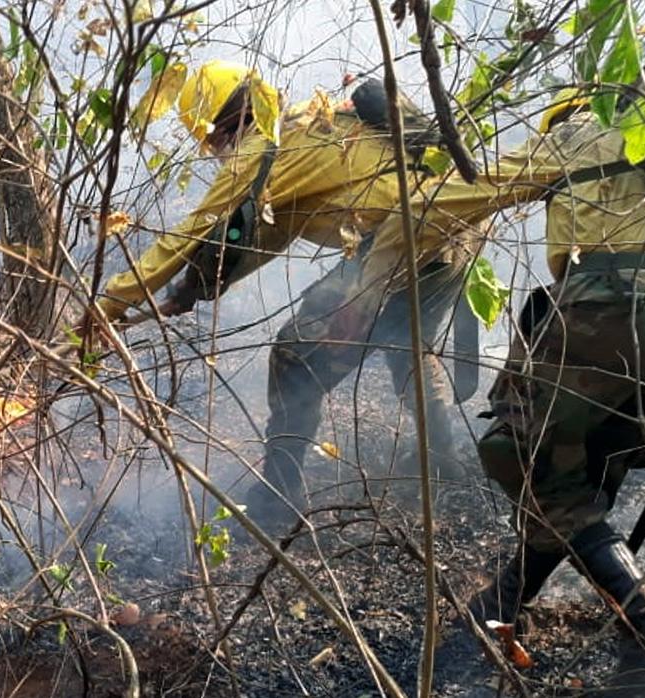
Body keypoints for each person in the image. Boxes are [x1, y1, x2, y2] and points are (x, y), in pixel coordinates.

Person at [348, 63, 645, 680]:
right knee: (588, 459)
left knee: (522, 454)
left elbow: (442, 201)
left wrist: (370, 289)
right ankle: (504, 600)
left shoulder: (577, 133)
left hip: (612, 308)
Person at [93, 61, 476, 529]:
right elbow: (269, 232)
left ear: (224, 126)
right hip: (455, 232)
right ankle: (443, 459)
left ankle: (278, 496)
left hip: (400, 246)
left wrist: (108, 305)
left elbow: (190, 234)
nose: (218, 153)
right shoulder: (311, 120)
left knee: (296, 356)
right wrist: (193, 288)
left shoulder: (264, 149)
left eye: (214, 142)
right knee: (407, 342)